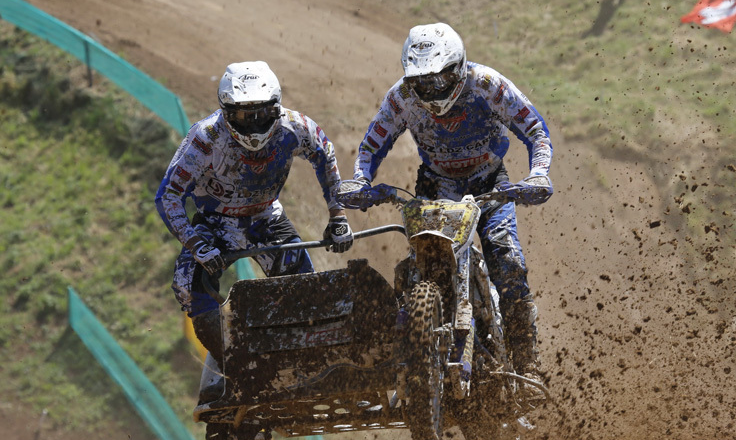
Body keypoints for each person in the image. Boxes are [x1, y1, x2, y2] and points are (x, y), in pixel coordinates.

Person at [352, 23, 553, 392]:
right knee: (418, 269)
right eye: (421, 82)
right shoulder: (401, 98)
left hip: (489, 182)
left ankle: (528, 365)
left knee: (508, 263)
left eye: (440, 78)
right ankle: (415, 349)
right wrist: (360, 181)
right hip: (435, 185)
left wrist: (538, 174)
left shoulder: (487, 85)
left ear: (458, 67)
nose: (431, 90)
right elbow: (370, 146)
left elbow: (535, 129)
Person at [155, 61, 353, 401]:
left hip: (267, 219)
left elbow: (326, 155)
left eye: (262, 114)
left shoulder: (296, 126)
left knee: (306, 292)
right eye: (244, 116)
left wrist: (338, 216)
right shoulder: (206, 138)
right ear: (226, 112)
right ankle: (235, 367)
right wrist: (196, 243)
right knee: (187, 286)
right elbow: (168, 195)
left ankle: (314, 370)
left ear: (276, 106)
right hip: (214, 222)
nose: (255, 125)